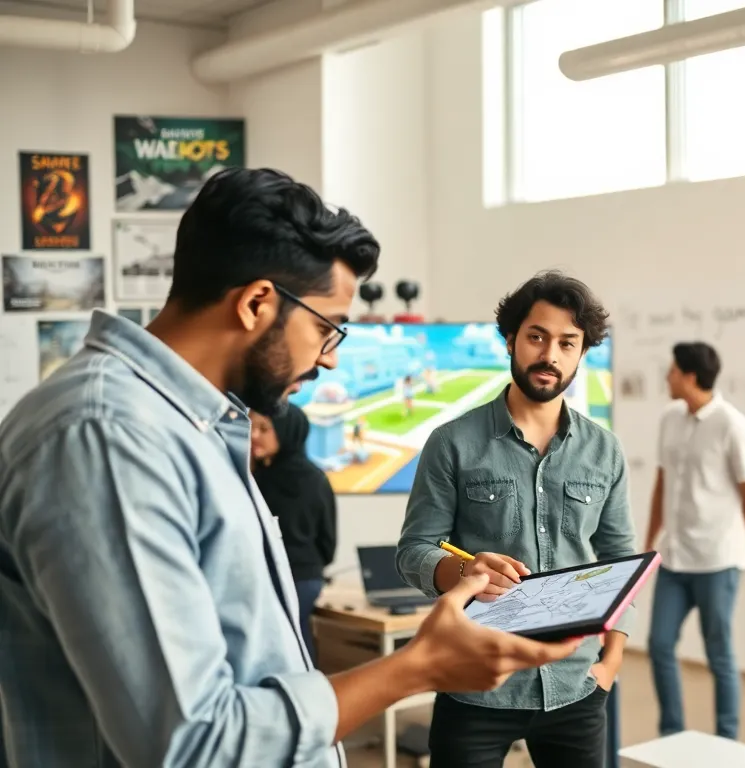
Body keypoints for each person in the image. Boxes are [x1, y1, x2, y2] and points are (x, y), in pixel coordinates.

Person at [0, 168, 580, 768]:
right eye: (327, 329)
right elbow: (192, 744)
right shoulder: (108, 439)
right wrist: (417, 667)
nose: (329, 360)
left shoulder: (192, 425)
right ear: (256, 303)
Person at [396, 269, 636, 768]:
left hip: (576, 686)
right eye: (537, 336)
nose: (550, 355)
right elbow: (415, 550)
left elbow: (621, 562)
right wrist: (466, 572)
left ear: (581, 353)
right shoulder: (452, 442)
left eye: (568, 343)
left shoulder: (604, 450)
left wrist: (609, 663)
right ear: (511, 340)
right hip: (474, 683)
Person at [643, 341, 745, 741]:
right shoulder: (669, 419)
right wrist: (649, 542)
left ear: (690, 376)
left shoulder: (733, 425)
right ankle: (671, 734)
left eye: (672, 370)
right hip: (674, 558)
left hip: (718, 562)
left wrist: (730, 534)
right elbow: (662, 484)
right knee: (659, 645)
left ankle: (726, 741)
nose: (667, 377)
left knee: (719, 655)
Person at [251, 406, 337, 662]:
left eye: (264, 428)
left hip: (276, 580)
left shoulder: (257, 481)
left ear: (287, 431)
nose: (254, 435)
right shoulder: (317, 478)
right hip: (308, 579)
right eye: (251, 427)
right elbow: (328, 543)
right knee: (298, 641)